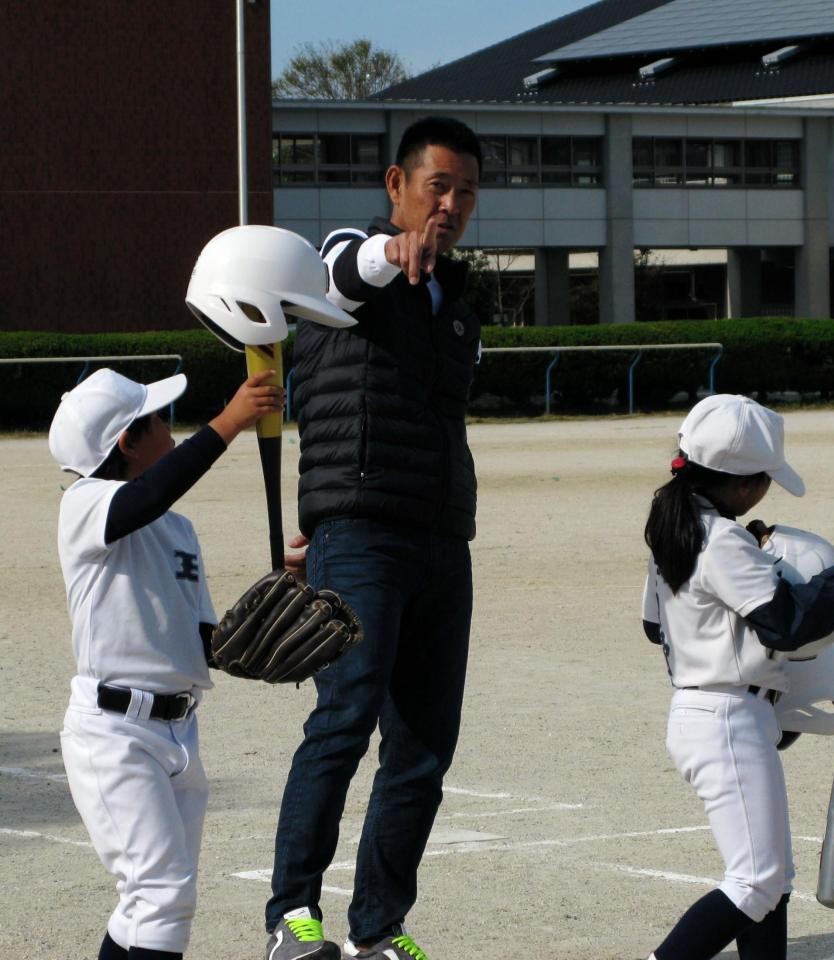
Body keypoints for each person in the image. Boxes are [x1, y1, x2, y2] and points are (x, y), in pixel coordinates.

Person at [264, 116, 483, 960]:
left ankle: (379, 929)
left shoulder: (457, 304)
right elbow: (348, 273)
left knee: (424, 749)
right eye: (438, 186)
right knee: (345, 717)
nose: (451, 205)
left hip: (439, 540)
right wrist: (391, 256)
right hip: (359, 531)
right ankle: (291, 913)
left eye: (466, 190)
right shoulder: (340, 264)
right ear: (397, 186)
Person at [50, 366, 284, 960]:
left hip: (181, 732)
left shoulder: (178, 530)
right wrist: (229, 423)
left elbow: (207, 639)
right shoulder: (85, 505)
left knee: (146, 902)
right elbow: (149, 493)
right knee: (163, 895)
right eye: (159, 420)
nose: (171, 427)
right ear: (127, 442)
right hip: (115, 733)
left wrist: (276, 598)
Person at [640, 393, 834, 960]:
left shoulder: (673, 528)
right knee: (756, 882)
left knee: (772, 880)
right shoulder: (722, 540)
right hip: (726, 717)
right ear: (745, 485)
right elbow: (786, 622)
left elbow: (656, 628)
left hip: (720, 710)